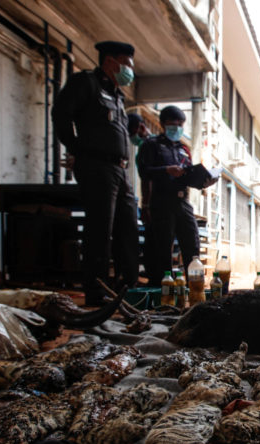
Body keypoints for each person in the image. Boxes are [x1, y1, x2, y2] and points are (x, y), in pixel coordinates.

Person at [52, 40, 139, 306]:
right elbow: (60, 115)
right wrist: (78, 149)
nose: (129, 71)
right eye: (127, 65)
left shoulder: (117, 94)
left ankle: (127, 289)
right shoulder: (86, 83)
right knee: (100, 230)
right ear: (111, 62)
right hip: (97, 167)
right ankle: (96, 291)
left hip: (120, 170)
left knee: (127, 229)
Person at [137, 105, 216, 286]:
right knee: (162, 247)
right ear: (163, 124)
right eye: (174, 124)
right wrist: (166, 170)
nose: (177, 127)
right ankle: (163, 288)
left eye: (181, 124)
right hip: (162, 201)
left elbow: (187, 175)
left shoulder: (184, 149)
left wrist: (203, 181)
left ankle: (194, 286)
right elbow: (144, 171)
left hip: (183, 201)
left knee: (192, 243)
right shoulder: (152, 145)